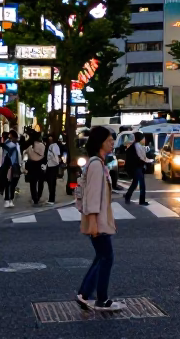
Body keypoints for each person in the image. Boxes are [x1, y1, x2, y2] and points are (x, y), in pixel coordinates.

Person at [76, 126, 124, 312]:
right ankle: (100, 299)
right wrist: (95, 223)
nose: (113, 142)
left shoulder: (97, 163)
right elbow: (93, 196)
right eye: (109, 140)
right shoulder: (96, 165)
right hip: (97, 220)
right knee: (107, 257)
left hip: (99, 218)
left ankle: (85, 293)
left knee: (102, 256)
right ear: (100, 143)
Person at [123, 132, 151, 206]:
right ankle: (141, 201)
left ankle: (127, 196)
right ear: (140, 139)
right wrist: (148, 161)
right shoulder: (137, 146)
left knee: (135, 183)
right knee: (142, 184)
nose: (144, 140)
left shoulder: (135, 146)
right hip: (136, 167)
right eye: (143, 138)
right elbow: (141, 158)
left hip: (135, 167)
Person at [26, 130, 47, 206]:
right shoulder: (42, 145)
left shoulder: (29, 146)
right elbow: (44, 155)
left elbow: (25, 154)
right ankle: (38, 196)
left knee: (32, 183)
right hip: (40, 164)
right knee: (41, 182)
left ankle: (34, 198)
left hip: (31, 165)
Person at [1, 131, 21, 208]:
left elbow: (19, 156)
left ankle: (11, 199)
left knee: (13, 183)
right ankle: (7, 199)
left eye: (12, 137)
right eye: (10, 137)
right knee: (7, 183)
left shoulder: (17, 145)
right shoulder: (7, 144)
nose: (11, 139)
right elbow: (4, 155)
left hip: (16, 166)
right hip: (8, 166)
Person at [45, 132, 63, 206]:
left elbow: (56, 156)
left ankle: (51, 199)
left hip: (52, 165)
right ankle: (51, 198)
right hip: (53, 165)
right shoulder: (54, 146)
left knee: (51, 183)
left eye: (51, 137)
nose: (50, 139)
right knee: (52, 183)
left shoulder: (53, 146)